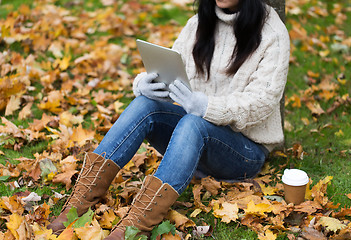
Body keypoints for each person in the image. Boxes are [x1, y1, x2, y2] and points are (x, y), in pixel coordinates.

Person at [47, 0, 290, 238]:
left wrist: (207, 106)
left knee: (194, 123)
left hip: (244, 151)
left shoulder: (271, 31)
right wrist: (146, 84)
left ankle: (135, 225)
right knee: (146, 104)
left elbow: (263, 101)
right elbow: (171, 68)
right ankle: (79, 202)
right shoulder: (198, 23)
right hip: (194, 139)